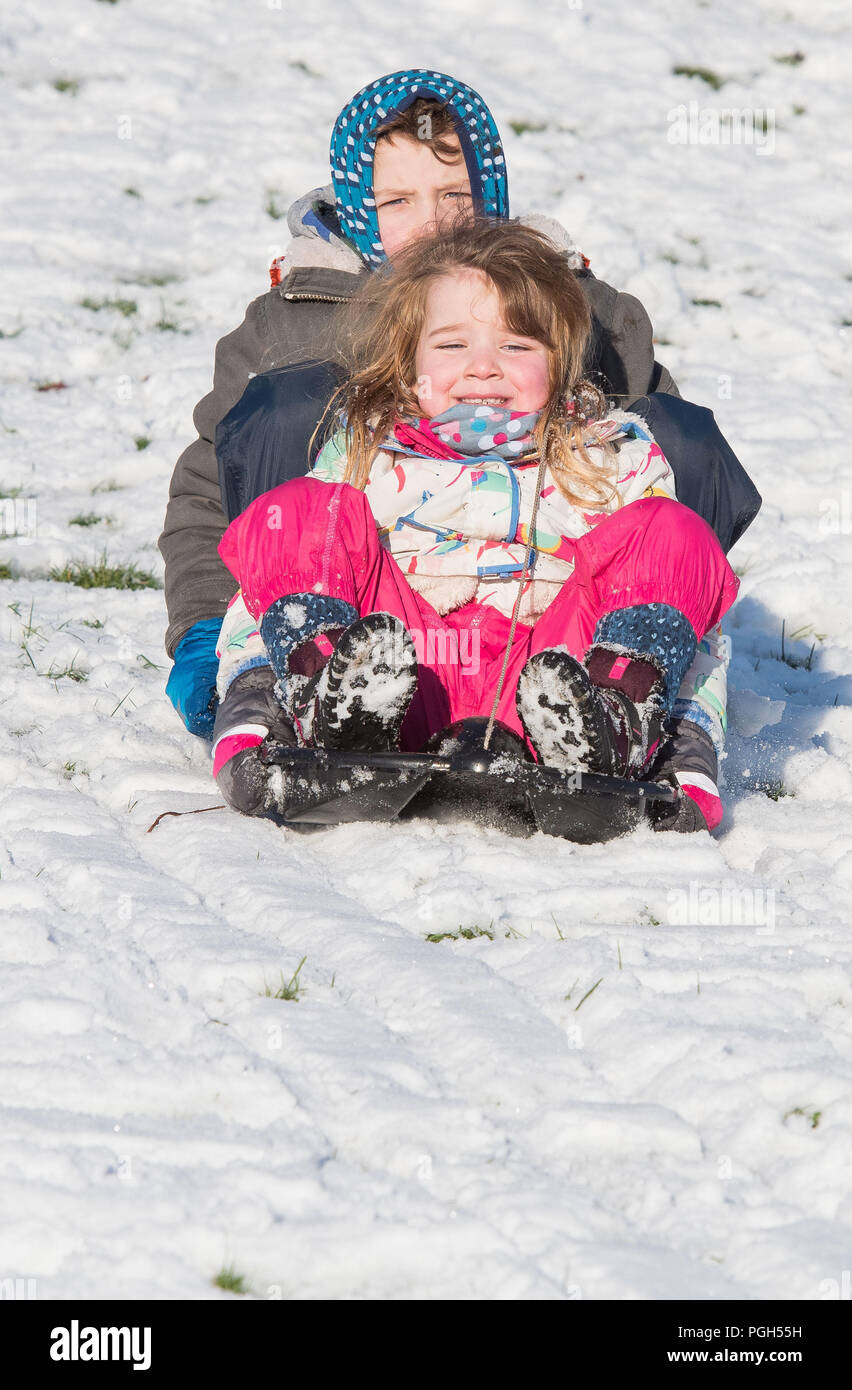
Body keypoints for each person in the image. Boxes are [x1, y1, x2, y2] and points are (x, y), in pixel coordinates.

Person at [159, 69, 682, 739]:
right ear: (355, 203)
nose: (432, 223)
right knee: (285, 408)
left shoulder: (578, 309)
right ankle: (303, 671)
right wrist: (206, 626)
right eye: (397, 200)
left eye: (455, 194)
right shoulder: (288, 327)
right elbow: (207, 487)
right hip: (367, 595)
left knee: (679, 435)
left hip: (539, 603)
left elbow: (671, 478)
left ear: (491, 193)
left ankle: (632, 674)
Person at [210, 221, 738, 835]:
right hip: (404, 668)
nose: (484, 370)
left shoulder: (612, 457)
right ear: (409, 365)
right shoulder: (363, 450)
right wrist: (250, 698)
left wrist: (690, 741)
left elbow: (689, 616)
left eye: (516, 347)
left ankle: (616, 720)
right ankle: (328, 693)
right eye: (452, 346)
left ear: (558, 363)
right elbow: (263, 590)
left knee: (672, 533)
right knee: (296, 512)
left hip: (550, 677)